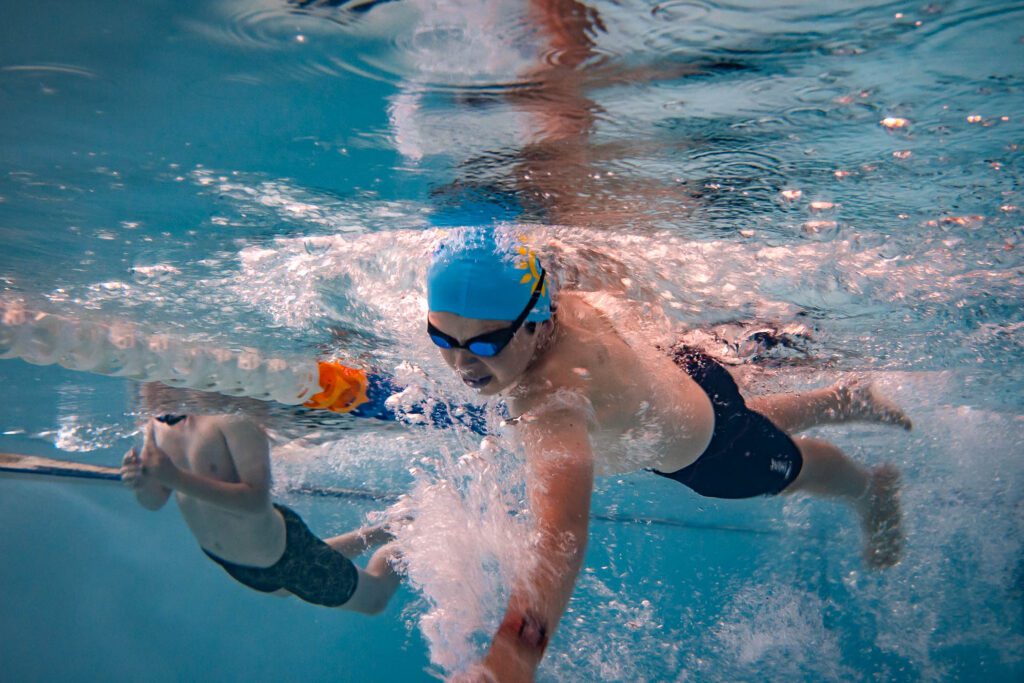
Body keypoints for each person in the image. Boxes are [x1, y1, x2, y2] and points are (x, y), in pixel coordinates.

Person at [425, 226, 910, 681]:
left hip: (706, 454)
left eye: (485, 343)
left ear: (534, 323)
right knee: (741, 420)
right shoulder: (554, 304)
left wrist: (514, 654)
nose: (461, 362)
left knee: (793, 466)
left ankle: (871, 490)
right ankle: (843, 400)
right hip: (685, 372)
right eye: (441, 338)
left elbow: (560, 535)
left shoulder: (551, 402)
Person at [120, 396, 401, 614]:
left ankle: (412, 531)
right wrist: (140, 482)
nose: (144, 393)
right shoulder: (157, 424)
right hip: (236, 565)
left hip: (286, 557)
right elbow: (154, 500)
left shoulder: (232, 415)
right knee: (289, 585)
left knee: (375, 598)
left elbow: (255, 502)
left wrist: (174, 477)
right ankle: (388, 529)